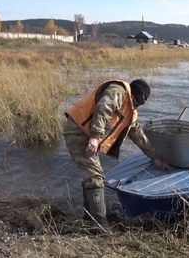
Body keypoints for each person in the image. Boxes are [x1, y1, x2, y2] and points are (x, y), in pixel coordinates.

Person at [63, 79, 168, 230]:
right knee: (95, 176)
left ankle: (89, 216)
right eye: (142, 99)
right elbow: (103, 108)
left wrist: (154, 157)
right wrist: (95, 136)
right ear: (136, 93)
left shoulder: (130, 111)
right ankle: (100, 224)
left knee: (92, 175)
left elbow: (138, 135)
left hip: (87, 134)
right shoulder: (118, 91)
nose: (141, 103)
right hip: (78, 131)